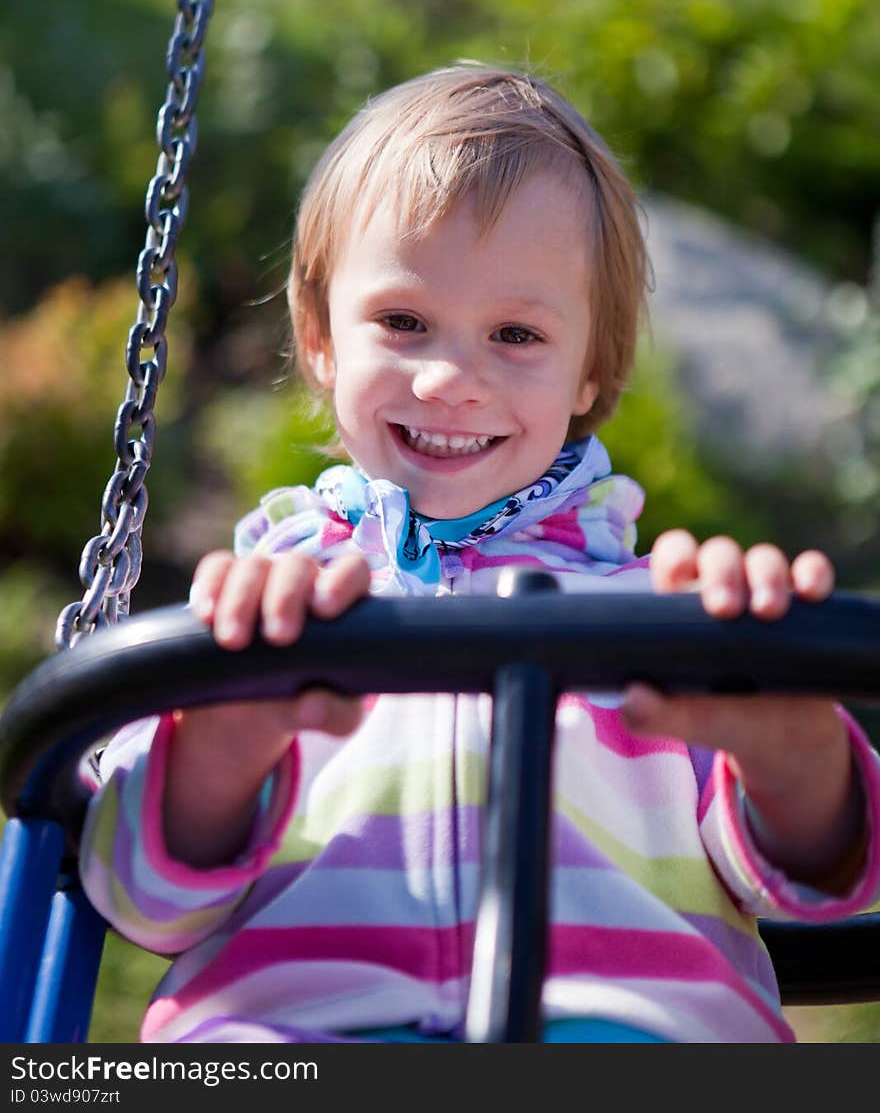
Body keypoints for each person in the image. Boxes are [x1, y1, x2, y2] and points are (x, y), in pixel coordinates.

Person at [79, 64, 880, 1044]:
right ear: (320, 337)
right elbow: (140, 899)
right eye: (404, 322)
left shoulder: (664, 618)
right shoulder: (257, 613)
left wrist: (786, 741)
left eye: (514, 334)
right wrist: (221, 742)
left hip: (626, 1030)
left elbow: (820, 883)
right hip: (295, 1035)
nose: (452, 378)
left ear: (594, 369)